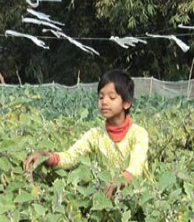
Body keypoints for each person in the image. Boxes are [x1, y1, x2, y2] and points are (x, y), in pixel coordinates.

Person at [23, 69, 148, 198]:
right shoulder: (95, 135)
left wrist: (119, 180)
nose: (104, 102)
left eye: (112, 97)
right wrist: (45, 156)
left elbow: (136, 168)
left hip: (137, 199)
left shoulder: (138, 134)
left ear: (127, 103)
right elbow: (70, 157)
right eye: (101, 97)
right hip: (108, 199)